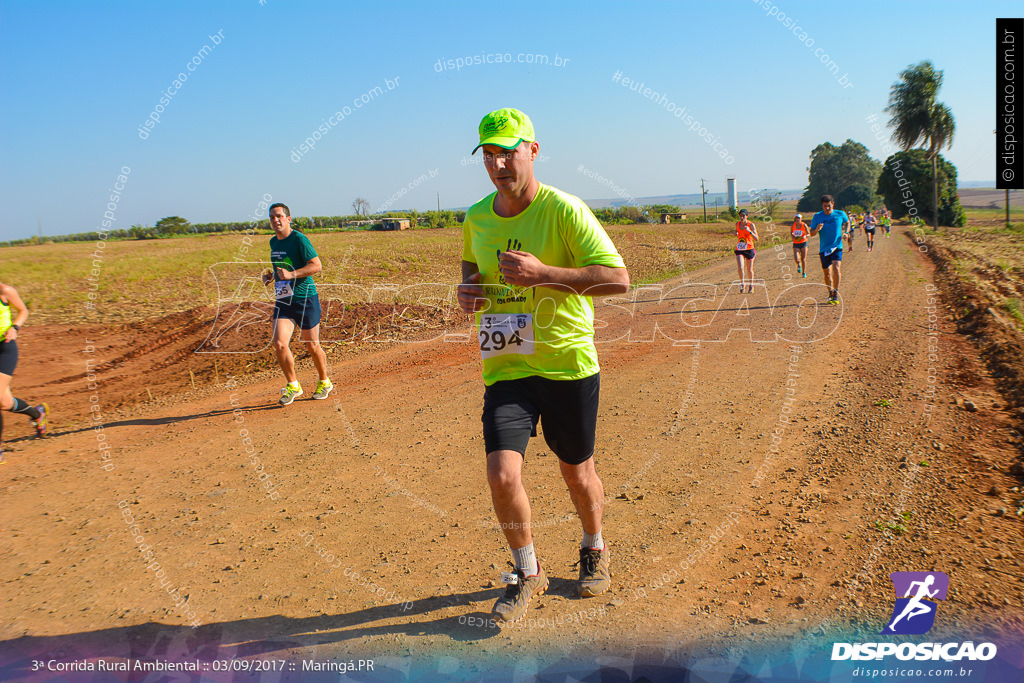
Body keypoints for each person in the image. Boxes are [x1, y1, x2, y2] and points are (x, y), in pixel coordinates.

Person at [457, 108, 630, 624]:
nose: (498, 163)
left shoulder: (564, 210)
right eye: (488, 153)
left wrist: (543, 274)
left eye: (508, 151)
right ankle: (526, 571)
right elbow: (472, 269)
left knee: (577, 473)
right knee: (502, 474)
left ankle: (594, 547)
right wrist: (468, 291)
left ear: (533, 150)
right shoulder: (476, 217)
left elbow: (617, 279)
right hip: (507, 366)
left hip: (567, 364)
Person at [261, 203, 332, 405]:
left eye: (279, 216)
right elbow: (282, 268)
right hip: (284, 299)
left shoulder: (300, 239)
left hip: (305, 298)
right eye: (272, 217)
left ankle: (324, 381)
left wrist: (292, 274)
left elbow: (316, 265)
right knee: (280, 343)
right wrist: (272, 276)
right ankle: (293, 385)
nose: (275, 220)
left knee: (312, 345)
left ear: (288, 218)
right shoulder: (273, 242)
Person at [0, 282, 48, 464]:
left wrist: (15, 327)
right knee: (4, 403)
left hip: (4, 347)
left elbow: (23, 311)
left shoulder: (4, 291)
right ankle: (38, 414)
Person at [809, 195, 850, 305]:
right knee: (827, 273)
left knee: (836, 268)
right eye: (824, 206)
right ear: (822, 206)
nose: (827, 208)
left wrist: (846, 232)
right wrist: (817, 229)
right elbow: (811, 233)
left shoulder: (840, 214)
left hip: (837, 246)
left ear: (833, 204)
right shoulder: (817, 216)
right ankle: (830, 292)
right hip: (824, 249)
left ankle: (836, 293)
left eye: (829, 206)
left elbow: (847, 223)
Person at [734, 209, 758, 293]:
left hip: (749, 249)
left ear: (747, 216)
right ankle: (742, 284)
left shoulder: (751, 225)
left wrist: (750, 231)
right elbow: (737, 231)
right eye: (740, 216)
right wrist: (735, 233)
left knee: (749, 269)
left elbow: (757, 238)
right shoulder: (737, 224)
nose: (741, 217)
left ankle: (751, 285)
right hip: (740, 249)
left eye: (743, 216)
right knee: (740, 267)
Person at [791, 213, 809, 277]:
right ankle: (799, 264)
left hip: (803, 243)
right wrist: (793, 236)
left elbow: (809, 233)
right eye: (796, 218)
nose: (797, 219)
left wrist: (805, 236)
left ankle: (804, 272)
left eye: (798, 218)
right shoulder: (793, 225)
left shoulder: (804, 225)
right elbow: (791, 232)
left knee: (803, 259)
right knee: (796, 259)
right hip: (796, 243)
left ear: (801, 219)